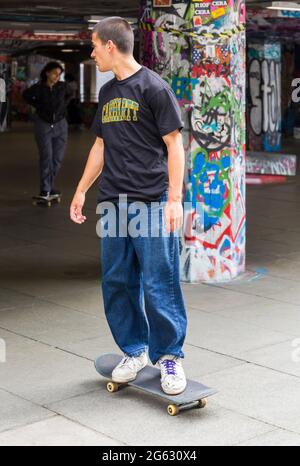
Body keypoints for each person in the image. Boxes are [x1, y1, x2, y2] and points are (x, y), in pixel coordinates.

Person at [70, 17, 188, 395]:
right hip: (114, 206)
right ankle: (134, 350)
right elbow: (100, 146)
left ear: (109, 45)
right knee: (117, 282)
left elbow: (175, 146)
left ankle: (169, 357)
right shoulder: (106, 94)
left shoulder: (154, 88)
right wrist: (81, 189)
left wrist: (173, 199)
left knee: (159, 283)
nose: (91, 53)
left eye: (93, 45)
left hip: (152, 203)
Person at [23, 62, 72, 198]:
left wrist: (62, 108)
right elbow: (26, 95)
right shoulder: (38, 88)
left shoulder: (62, 87)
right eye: (55, 73)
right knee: (46, 157)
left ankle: (48, 186)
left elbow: (70, 95)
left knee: (57, 158)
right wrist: (39, 106)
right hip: (43, 125)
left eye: (59, 74)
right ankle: (45, 189)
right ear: (47, 73)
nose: (57, 76)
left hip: (61, 125)